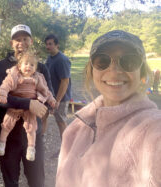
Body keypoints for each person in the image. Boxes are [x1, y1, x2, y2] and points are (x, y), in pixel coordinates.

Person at [55, 30, 161, 187]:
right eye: (102, 61)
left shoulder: (153, 129)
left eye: (129, 61)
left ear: (142, 72)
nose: (114, 70)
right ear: (91, 70)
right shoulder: (75, 129)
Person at [0, 24, 53, 187]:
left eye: (25, 39)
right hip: (8, 134)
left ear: (31, 41)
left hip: (32, 134)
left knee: (37, 180)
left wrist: (41, 104)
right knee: (10, 181)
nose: (21, 43)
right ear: (12, 43)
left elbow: (49, 96)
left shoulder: (41, 67)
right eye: (17, 39)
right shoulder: (1, 66)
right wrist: (27, 103)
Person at [0, 51, 56, 161]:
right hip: (16, 104)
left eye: (32, 65)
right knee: (7, 123)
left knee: (31, 127)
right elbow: (5, 85)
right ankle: (2, 142)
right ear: (19, 66)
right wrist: (2, 94)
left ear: (35, 68)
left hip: (30, 107)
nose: (29, 66)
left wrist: (51, 99)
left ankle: (31, 148)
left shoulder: (37, 78)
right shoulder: (14, 75)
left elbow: (45, 91)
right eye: (26, 64)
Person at [43, 34, 71, 139]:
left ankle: (66, 146)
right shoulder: (50, 58)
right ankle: (41, 140)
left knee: (60, 122)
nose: (48, 46)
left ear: (57, 45)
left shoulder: (62, 60)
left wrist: (57, 100)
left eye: (50, 44)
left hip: (61, 98)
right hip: (48, 96)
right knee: (42, 117)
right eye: (47, 44)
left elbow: (65, 82)